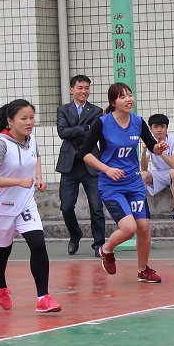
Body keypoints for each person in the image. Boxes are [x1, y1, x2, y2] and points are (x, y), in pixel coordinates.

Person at [80, 83, 169, 283]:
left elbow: (153, 147)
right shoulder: (102, 123)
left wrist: (159, 148)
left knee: (143, 227)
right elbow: (84, 153)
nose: (129, 99)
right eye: (122, 97)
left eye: (130, 95)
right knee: (129, 228)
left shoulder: (137, 121)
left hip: (134, 183)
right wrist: (106, 169)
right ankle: (106, 249)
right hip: (111, 185)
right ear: (113, 102)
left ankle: (143, 270)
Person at [0, 99, 61, 313]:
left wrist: (38, 177)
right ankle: (0, 284)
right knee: (2, 250)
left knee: (38, 244)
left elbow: (36, 157)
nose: (29, 122)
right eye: (23, 118)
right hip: (0, 206)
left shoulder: (31, 139)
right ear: (10, 121)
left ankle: (43, 297)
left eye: (31, 117)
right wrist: (18, 181)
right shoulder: (1, 144)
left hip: (25, 202)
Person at [56, 74, 106, 257]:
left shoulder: (97, 110)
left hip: (91, 164)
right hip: (69, 164)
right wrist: (85, 128)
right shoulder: (63, 110)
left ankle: (99, 244)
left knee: (96, 207)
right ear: (72, 90)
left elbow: (95, 133)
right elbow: (62, 132)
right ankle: (75, 234)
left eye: (87, 88)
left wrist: (76, 131)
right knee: (66, 207)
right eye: (80, 88)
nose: (84, 91)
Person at [141, 113, 174, 221]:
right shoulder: (149, 142)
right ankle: (142, 211)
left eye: (162, 126)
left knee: (173, 172)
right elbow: (144, 169)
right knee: (142, 175)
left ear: (166, 128)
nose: (159, 129)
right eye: (156, 126)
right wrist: (144, 151)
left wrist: (159, 151)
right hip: (161, 173)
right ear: (151, 129)